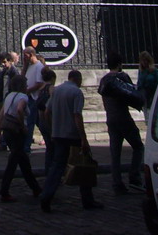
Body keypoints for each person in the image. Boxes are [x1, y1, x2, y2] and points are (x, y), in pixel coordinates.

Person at [39, 69, 102, 213]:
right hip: (72, 135)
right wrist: (84, 139)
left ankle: (46, 196)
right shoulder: (76, 92)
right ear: (78, 79)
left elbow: (47, 112)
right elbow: (77, 116)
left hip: (58, 134)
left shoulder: (57, 91)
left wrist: (52, 129)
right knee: (84, 164)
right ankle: (87, 199)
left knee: (57, 167)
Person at [98, 50, 144, 193]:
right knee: (138, 146)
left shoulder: (104, 80)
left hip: (110, 118)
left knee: (115, 153)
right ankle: (134, 176)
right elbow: (132, 94)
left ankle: (116, 183)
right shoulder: (122, 77)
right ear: (119, 64)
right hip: (123, 117)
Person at [0, 74, 42, 202]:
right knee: (14, 162)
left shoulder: (9, 96)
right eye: (25, 85)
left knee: (23, 161)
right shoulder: (23, 97)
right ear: (22, 86)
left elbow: (2, 114)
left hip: (7, 130)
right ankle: (4, 191)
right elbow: (20, 109)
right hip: (17, 132)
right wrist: (23, 126)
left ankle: (36, 188)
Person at [21, 45, 46, 153]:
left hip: (34, 97)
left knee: (29, 122)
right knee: (39, 123)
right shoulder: (30, 66)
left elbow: (39, 83)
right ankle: (50, 140)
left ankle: (26, 148)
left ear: (31, 55)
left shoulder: (39, 66)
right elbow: (22, 78)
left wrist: (28, 90)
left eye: (25, 56)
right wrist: (25, 66)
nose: (24, 58)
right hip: (29, 97)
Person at [35, 66, 57, 171]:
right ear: (53, 78)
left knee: (49, 148)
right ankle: (53, 171)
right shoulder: (51, 88)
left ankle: (48, 170)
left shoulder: (41, 89)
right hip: (50, 121)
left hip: (41, 121)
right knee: (54, 149)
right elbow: (52, 104)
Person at [137, 51, 158, 121]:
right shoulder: (141, 71)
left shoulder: (154, 71)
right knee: (148, 119)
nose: (144, 63)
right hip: (145, 99)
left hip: (153, 97)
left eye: (145, 60)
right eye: (142, 61)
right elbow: (139, 83)